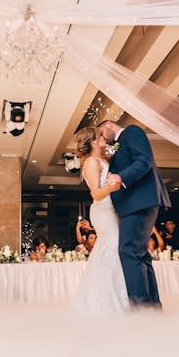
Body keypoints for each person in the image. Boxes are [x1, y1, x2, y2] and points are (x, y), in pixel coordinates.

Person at [99, 119, 171, 309]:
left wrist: (121, 177)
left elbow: (144, 160)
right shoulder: (118, 144)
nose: (103, 140)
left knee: (128, 251)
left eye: (101, 133)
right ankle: (152, 307)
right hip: (135, 204)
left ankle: (140, 307)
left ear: (109, 124)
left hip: (139, 202)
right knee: (140, 254)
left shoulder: (131, 131)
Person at [72, 126, 129, 313]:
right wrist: (114, 186)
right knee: (113, 249)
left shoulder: (102, 158)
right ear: (94, 141)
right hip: (102, 210)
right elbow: (96, 193)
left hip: (111, 210)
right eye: (101, 135)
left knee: (110, 251)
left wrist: (122, 140)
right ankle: (107, 301)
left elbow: (117, 149)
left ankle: (111, 296)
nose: (105, 137)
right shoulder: (91, 162)